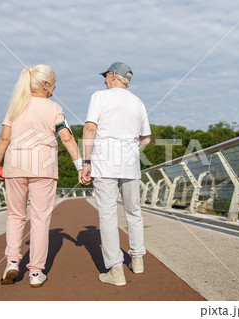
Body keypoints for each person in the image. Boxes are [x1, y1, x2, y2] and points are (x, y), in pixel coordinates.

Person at [0, 64, 83, 288]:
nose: (55, 86)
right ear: (45, 85)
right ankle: (35, 273)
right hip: (44, 169)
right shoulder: (54, 108)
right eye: (53, 82)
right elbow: (67, 138)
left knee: (15, 216)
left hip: (14, 166)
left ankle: (12, 261)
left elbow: (4, 138)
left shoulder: (15, 107)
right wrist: (80, 166)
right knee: (41, 219)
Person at [82, 62, 151, 286]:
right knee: (134, 211)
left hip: (104, 162)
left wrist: (86, 161)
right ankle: (138, 260)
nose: (104, 80)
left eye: (106, 76)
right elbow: (146, 138)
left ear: (113, 75)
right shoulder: (138, 102)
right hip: (130, 163)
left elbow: (90, 128)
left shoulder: (99, 97)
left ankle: (116, 270)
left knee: (108, 215)